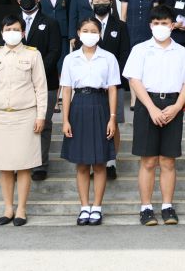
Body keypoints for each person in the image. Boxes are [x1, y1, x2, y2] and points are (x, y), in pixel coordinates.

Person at [123, 5, 185, 226]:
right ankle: (146, 207)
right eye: (156, 23)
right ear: (150, 25)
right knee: (148, 161)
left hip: (173, 104)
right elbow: (134, 80)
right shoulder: (140, 49)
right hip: (147, 104)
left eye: (164, 23)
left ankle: (167, 206)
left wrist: (177, 106)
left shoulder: (181, 52)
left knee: (168, 160)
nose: (160, 27)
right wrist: (151, 108)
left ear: (172, 25)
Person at [0, 15, 47, 227]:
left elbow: (40, 88)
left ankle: (21, 209)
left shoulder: (33, 54)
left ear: (23, 32)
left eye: (16, 29)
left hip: (25, 116)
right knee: (5, 166)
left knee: (24, 165)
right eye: (8, 29)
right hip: (0, 116)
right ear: (1, 32)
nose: (12, 33)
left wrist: (41, 115)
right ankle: (8, 207)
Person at [61, 18, 120, 226]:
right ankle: (84, 206)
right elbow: (66, 90)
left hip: (100, 105)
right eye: (85, 30)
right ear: (78, 33)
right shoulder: (70, 59)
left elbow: (112, 89)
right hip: (78, 106)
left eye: (93, 30)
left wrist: (112, 118)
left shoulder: (109, 58)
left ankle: (97, 207)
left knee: (100, 162)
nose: (89, 34)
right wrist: (65, 119)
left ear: (100, 33)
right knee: (82, 163)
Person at [17, 0, 62, 181]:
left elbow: (55, 51)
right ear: (18, 0)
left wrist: (37, 72)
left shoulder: (50, 22)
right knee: (20, 125)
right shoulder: (12, 23)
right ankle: (20, 163)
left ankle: (40, 165)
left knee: (43, 123)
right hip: (18, 83)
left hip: (46, 82)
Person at [89, 0, 130, 180]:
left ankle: (111, 162)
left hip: (114, 83)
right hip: (92, 85)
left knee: (113, 122)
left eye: (104, 0)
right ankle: (93, 161)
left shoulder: (120, 26)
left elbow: (125, 54)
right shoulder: (87, 25)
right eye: (97, 1)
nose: (100, 4)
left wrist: (113, 80)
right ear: (91, 3)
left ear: (111, 2)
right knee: (93, 123)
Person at [39, 0, 71, 71]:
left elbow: (70, 13)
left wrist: (70, 34)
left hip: (62, 32)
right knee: (45, 61)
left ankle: (61, 82)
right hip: (44, 30)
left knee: (62, 62)